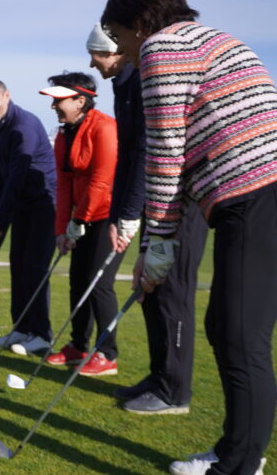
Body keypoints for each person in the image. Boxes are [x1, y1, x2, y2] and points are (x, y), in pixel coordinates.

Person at [102, 0, 277, 475]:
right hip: (252, 196)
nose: (122, 48)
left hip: (256, 195)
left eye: (119, 35)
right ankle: (236, 451)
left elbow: (166, 153)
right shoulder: (215, 38)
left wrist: (158, 245)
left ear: (140, 22)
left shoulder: (163, 49)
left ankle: (240, 465)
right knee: (226, 327)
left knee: (241, 337)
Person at [86, 23, 209, 413]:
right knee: (150, 291)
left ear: (117, 51)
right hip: (152, 204)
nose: (92, 63)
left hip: (179, 201)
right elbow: (127, 157)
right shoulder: (122, 85)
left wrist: (128, 213)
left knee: (171, 293)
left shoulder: (142, 78)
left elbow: (147, 151)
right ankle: (159, 377)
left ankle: (175, 392)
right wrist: (119, 215)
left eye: (97, 54)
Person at [40, 72, 122, 376]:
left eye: (59, 101)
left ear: (80, 101)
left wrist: (79, 220)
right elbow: (63, 185)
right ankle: (78, 346)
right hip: (81, 218)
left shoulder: (105, 127)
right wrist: (61, 229)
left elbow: (102, 180)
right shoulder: (64, 135)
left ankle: (108, 353)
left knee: (99, 283)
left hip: (108, 216)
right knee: (78, 281)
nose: (54, 107)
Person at [0, 79, 57, 353]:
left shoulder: (24, 125)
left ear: (6, 95)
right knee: (18, 264)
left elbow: (16, 177)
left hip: (44, 203)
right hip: (21, 206)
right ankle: (22, 328)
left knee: (35, 267)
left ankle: (42, 335)